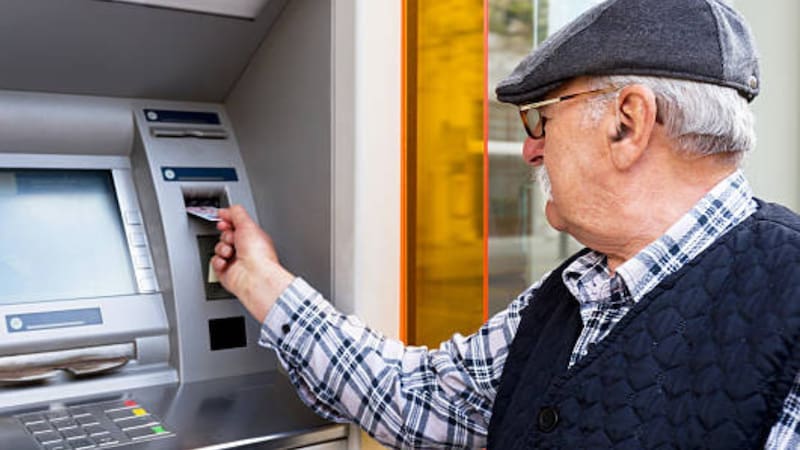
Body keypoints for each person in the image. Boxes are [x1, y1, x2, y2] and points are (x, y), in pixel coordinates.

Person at [212, 0, 800, 448]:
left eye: (542, 119)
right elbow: (420, 398)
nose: (530, 150)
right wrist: (259, 279)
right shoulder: (576, 291)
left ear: (627, 123)